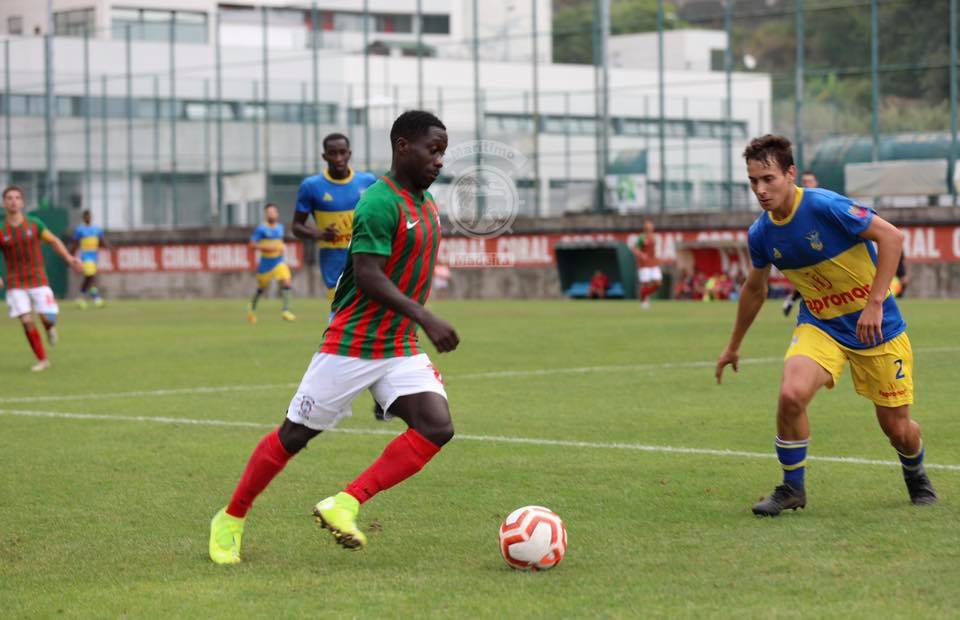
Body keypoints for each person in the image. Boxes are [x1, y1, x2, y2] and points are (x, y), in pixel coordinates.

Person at [209, 110, 458, 564]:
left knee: (436, 426)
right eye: (432, 149)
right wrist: (425, 315)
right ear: (403, 146)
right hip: (352, 345)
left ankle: (345, 503)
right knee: (293, 437)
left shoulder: (426, 204)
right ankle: (230, 517)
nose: (440, 160)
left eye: (443, 151)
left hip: (398, 348)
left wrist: (414, 324)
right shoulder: (379, 203)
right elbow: (367, 275)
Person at [715, 135, 936, 517]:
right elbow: (755, 288)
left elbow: (892, 237)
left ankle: (915, 473)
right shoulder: (761, 233)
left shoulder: (825, 206)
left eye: (768, 179)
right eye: (753, 182)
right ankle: (792, 488)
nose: (760, 190)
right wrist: (733, 344)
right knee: (791, 395)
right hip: (821, 326)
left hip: (877, 329)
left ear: (790, 173)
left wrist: (875, 302)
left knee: (898, 430)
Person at [291, 133, 377, 313]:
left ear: (349, 154)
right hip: (334, 264)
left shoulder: (368, 182)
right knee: (341, 313)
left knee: (369, 316)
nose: (338, 158)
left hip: (368, 259)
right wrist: (320, 234)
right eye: (332, 153)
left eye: (342, 152)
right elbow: (296, 227)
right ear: (324, 156)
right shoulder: (312, 186)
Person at [0, 186, 82, 371]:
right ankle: (42, 359)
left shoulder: (34, 224)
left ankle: (49, 328)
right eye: (9, 198)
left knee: (47, 318)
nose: (13, 201)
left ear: (22, 202)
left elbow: (53, 240)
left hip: (38, 279)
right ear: (4, 203)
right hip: (15, 283)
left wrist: (69, 258)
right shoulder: (1, 230)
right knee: (27, 320)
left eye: (17, 198)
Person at [247, 203, 295, 323]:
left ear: (277, 214)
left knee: (287, 280)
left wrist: (281, 247)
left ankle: (285, 311)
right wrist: (267, 247)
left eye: (273, 212)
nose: (271, 214)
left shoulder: (280, 227)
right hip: (265, 264)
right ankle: (251, 308)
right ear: (265, 214)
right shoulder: (261, 229)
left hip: (278, 261)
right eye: (269, 212)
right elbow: (252, 245)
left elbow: (279, 243)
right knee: (261, 289)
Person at [782, 171, 819, 316]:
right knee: (810, 278)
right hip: (806, 246)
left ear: (816, 183)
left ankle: (792, 299)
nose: (806, 184)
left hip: (823, 246)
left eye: (809, 181)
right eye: (804, 181)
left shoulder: (825, 202)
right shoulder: (795, 205)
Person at [69, 209, 109, 309]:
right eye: (86, 216)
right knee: (90, 276)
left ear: (91, 217)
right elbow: (75, 243)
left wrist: (108, 247)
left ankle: (85, 297)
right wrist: (71, 256)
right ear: (83, 218)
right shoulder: (80, 230)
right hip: (85, 257)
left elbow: (101, 241)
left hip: (94, 256)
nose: (88, 218)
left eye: (89, 216)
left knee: (90, 278)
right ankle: (94, 298)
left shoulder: (97, 229)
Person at [634, 220, 661, 309]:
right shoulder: (642, 237)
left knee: (658, 283)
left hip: (653, 263)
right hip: (644, 264)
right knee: (645, 283)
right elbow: (635, 249)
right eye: (649, 225)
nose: (651, 227)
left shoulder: (654, 237)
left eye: (651, 225)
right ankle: (644, 301)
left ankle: (644, 295)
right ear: (646, 227)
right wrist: (642, 255)